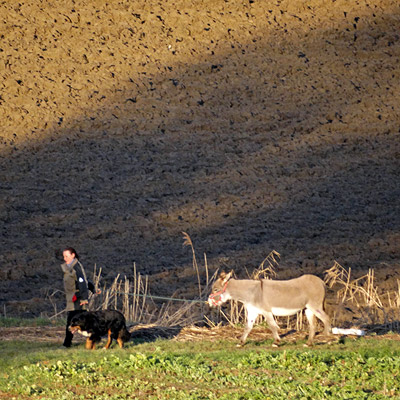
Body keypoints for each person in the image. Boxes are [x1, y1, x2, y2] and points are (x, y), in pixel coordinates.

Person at [61, 247, 92, 347]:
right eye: (64, 256)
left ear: (73, 255)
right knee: (84, 320)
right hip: (72, 299)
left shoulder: (76, 268)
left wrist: (84, 298)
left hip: (77, 300)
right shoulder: (69, 268)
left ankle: (67, 344)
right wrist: (94, 289)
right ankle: (93, 338)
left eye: (67, 256)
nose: (65, 258)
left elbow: (82, 283)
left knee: (72, 322)